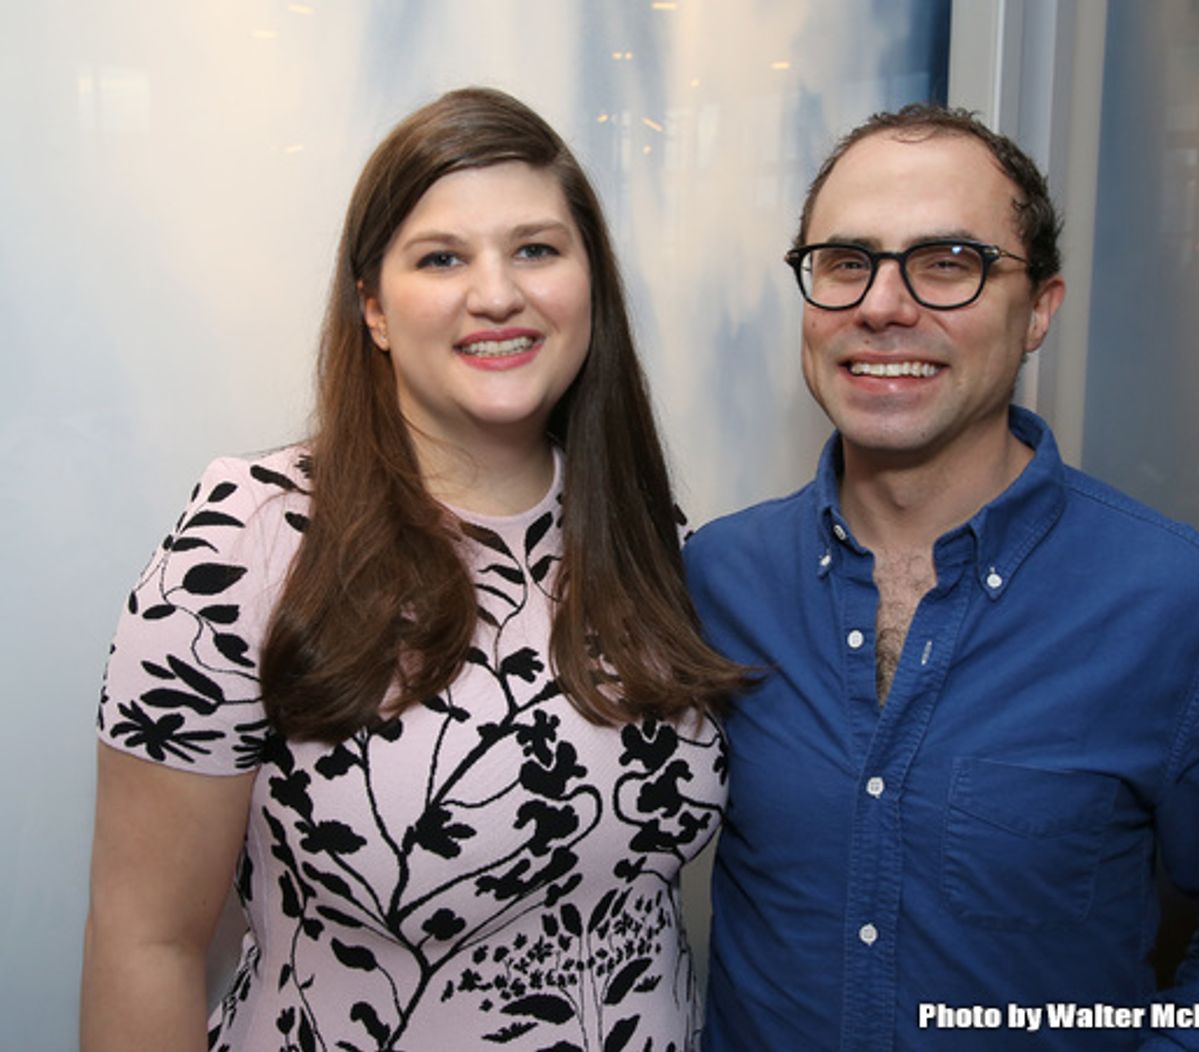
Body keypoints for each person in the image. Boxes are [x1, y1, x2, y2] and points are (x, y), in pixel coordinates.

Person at [80, 87, 747, 1052]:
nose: (497, 293)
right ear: (375, 309)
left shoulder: (652, 538)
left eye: (537, 249)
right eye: (442, 258)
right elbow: (146, 943)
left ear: (589, 282)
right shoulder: (249, 540)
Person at [683, 104, 1199, 1050]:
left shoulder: (1186, 611)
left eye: (948, 263)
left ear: (1039, 312)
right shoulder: (715, 579)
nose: (882, 305)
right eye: (845, 261)